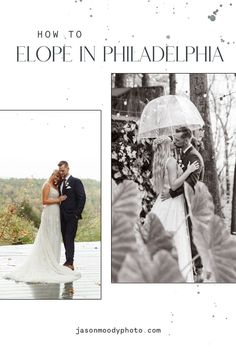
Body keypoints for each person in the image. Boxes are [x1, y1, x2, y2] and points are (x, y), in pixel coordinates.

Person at [4, 170, 81, 283]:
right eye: (55, 175)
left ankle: (53, 262)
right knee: (47, 236)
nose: (56, 178)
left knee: (54, 237)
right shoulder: (46, 185)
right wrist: (58, 199)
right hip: (49, 213)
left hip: (56, 214)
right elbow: (44, 201)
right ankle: (45, 263)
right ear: (52, 174)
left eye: (58, 177)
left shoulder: (56, 186)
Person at [150, 135, 199, 282]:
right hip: (172, 202)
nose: (173, 142)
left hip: (162, 202)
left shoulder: (159, 162)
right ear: (166, 145)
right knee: (176, 235)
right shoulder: (170, 161)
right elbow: (174, 185)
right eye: (170, 141)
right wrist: (188, 170)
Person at [162, 126, 205, 281]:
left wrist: (171, 193)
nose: (175, 141)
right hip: (184, 201)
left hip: (192, 202)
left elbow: (191, 183)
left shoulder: (194, 157)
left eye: (178, 139)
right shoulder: (183, 153)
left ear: (187, 140)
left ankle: (199, 270)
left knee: (193, 234)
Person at [58, 161, 86, 271]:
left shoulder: (76, 181)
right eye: (60, 170)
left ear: (68, 169)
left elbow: (82, 198)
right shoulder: (60, 182)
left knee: (70, 238)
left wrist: (76, 214)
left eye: (63, 170)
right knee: (65, 239)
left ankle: (70, 262)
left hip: (72, 216)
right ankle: (68, 260)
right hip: (62, 216)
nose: (61, 172)